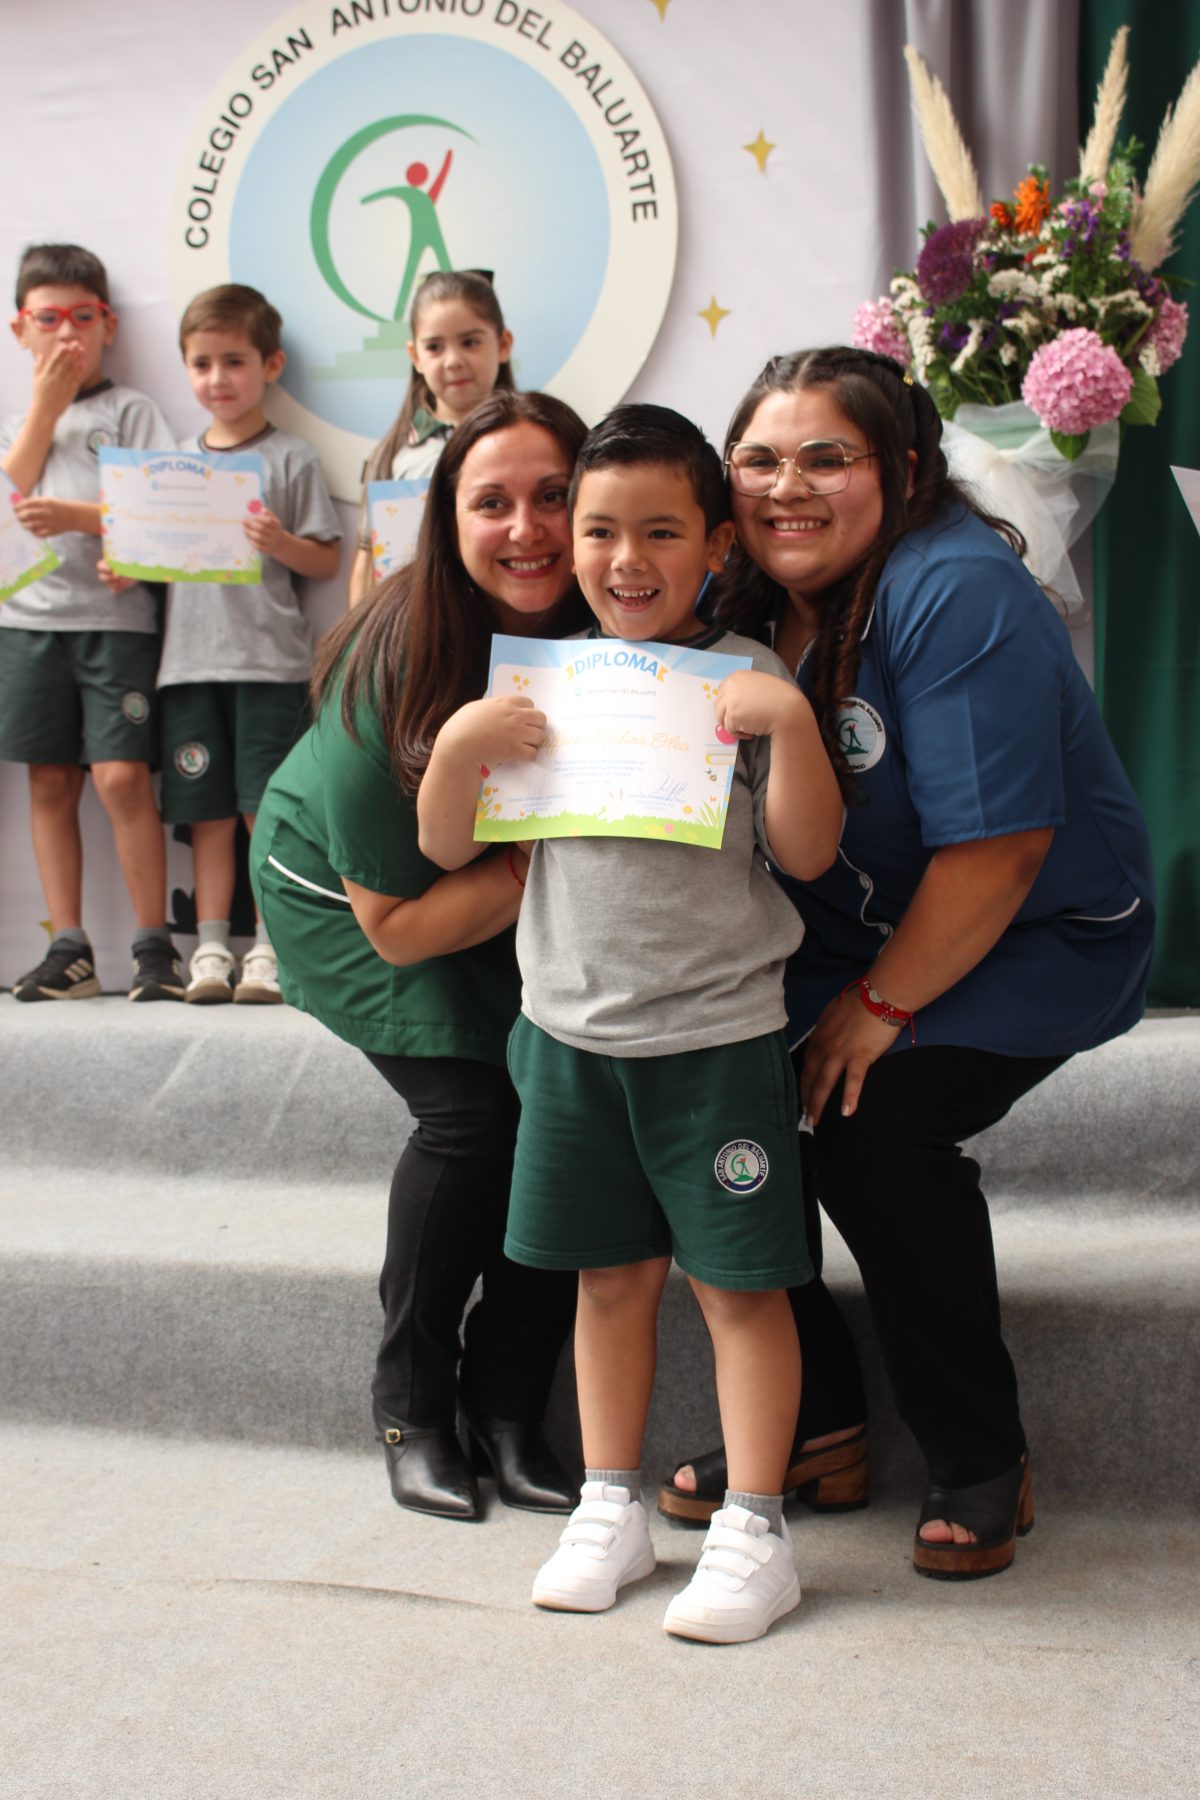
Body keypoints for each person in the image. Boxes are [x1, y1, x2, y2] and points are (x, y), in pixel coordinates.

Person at [664, 346, 1155, 1580]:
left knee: (871, 1129)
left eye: (829, 457)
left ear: (906, 470)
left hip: (1031, 933)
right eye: (761, 459)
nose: (790, 486)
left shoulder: (957, 589)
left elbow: (998, 855)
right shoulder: (740, 594)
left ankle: (980, 1453)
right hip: (845, 937)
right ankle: (815, 1421)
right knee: (685, 1095)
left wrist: (877, 1010)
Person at [418, 405, 844, 1643]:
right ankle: (613, 1504)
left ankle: (756, 1527)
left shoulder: (750, 679)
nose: (624, 559)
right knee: (609, 1283)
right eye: (599, 529)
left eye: (662, 531)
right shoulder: (537, 681)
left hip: (715, 1045)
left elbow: (810, 855)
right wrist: (458, 747)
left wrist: (797, 728)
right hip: (568, 1042)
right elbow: (448, 845)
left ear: (718, 541)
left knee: (738, 1288)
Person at [251, 389, 588, 1521]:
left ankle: (509, 1409)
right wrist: (546, 864)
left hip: (506, 880)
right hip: (356, 901)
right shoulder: (386, 661)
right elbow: (397, 926)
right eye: (493, 503)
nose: (529, 528)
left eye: (554, 496)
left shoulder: (615, 616)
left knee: (565, 1105)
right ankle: (414, 1408)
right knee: (476, 1115)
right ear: (447, 520)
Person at [1, 243, 183, 1003]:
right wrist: (45, 405)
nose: (67, 333)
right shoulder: (21, 418)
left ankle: (153, 948)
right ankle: (69, 947)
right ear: (20, 329)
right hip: (30, 623)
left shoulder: (131, 410)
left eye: (83, 317)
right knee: (50, 781)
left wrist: (117, 541)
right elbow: (13, 491)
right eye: (49, 319)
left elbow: (173, 510)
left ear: (108, 323)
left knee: (120, 777)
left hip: (117, 625)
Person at [154, 284, 341, 1005]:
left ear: (271, 364)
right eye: (201, 363)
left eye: (234, 361)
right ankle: (208, 946)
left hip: (270, 663)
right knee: (204, 809)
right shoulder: (169, 465)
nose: (217, 379)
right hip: (188, 665)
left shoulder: (291, 457)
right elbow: (154, 560)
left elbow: (324, 560)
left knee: (265, 807)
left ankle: (269, 945)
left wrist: (280, 541)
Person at [347, 270, 513, 605]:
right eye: (435, 347)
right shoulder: (395, 452)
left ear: (503, 344)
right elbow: (367, 560)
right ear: (415, 356)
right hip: (417, 626)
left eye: (470, 342)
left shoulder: (526, 442)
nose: (453, 361)